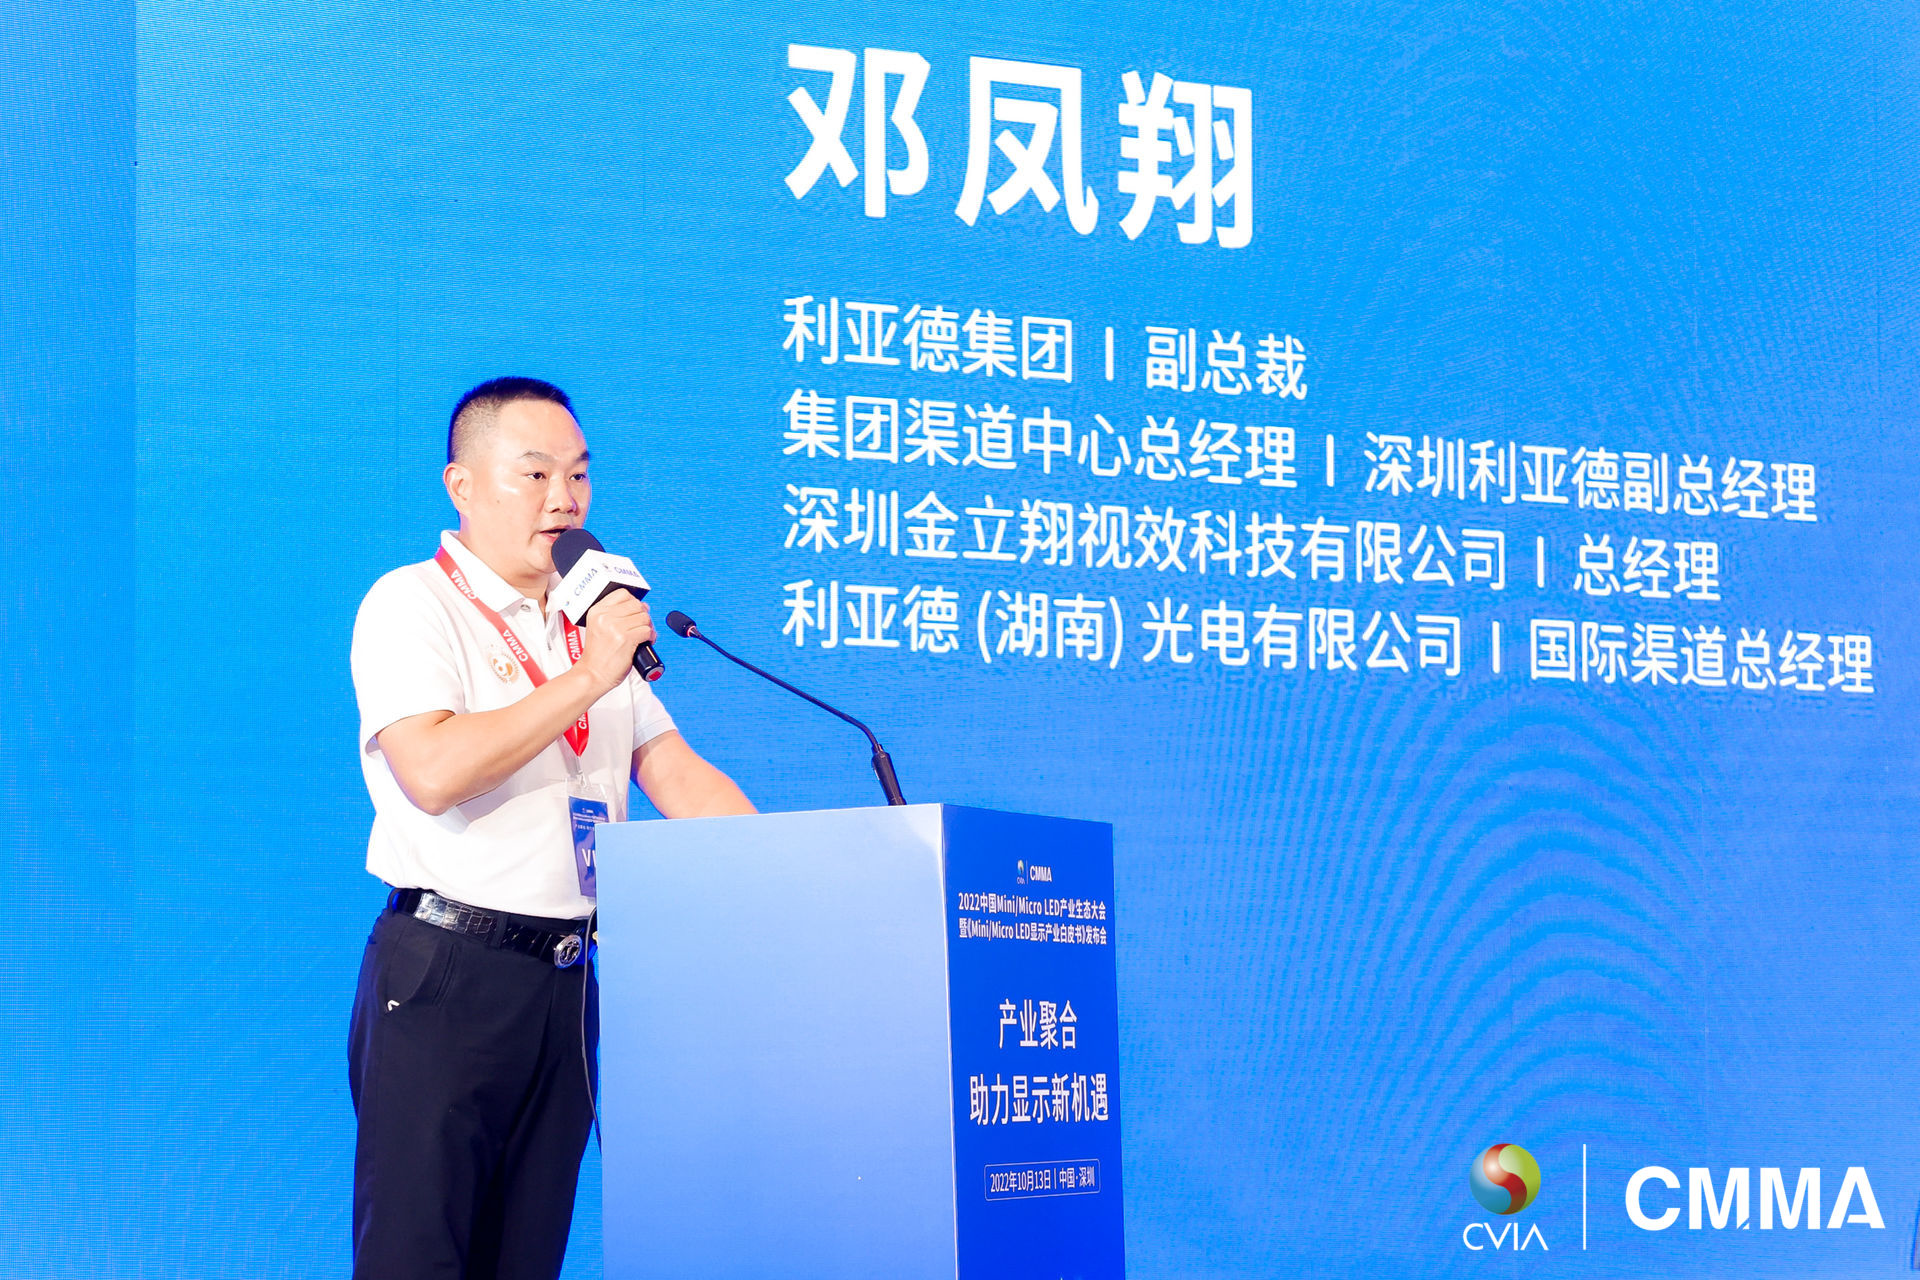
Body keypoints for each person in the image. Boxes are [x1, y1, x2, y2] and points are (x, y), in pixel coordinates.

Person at [346, 376, 753, 1278]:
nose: (564, 499)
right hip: (448, 974)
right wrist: (588, 676)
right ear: (462, 485)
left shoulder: (587, 623)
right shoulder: (413, 603)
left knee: (526, 1258)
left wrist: (786, 866)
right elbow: (434, 772)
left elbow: (675, 772)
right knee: (418, 1257)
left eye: (578, 474)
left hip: (568, 985)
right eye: (535, 475)